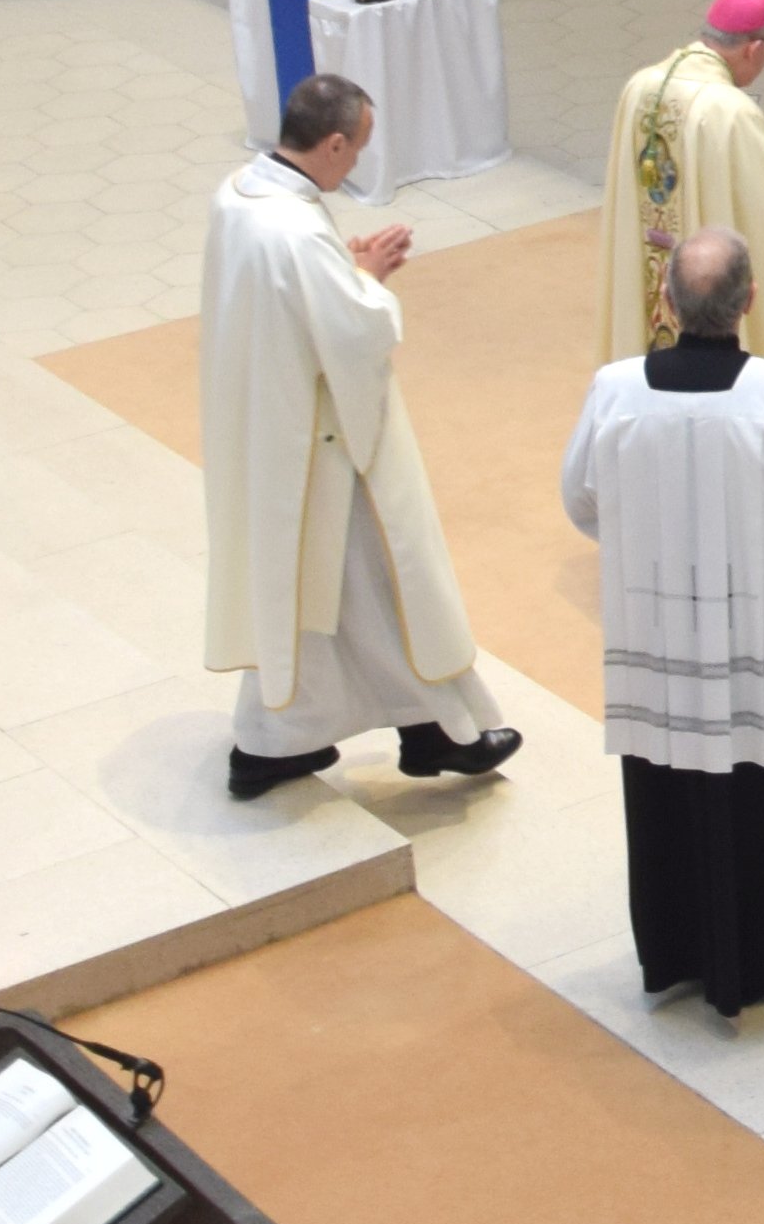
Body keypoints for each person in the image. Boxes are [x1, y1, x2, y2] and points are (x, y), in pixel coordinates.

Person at [561, 229, 764, 1018]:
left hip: (657, 635)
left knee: (671, 791)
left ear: (665, 300)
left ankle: (678, 951)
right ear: (751, 303)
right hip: (762, 631)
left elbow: (582, 502)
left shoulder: (616, 391)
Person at [202, 75, 523, 801]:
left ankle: (301, 739)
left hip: (272, 428)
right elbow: (358, 330)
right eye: (357, 149)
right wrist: (369, 280)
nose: (356, 165)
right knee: (381, 574)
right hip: (319, 442)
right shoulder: (292, 229)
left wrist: (340, 270)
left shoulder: (242, 195)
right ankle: (426, 731)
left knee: (326, 593)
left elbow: (287, 300)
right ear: (335, 141)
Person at [608, 0, 764, 357]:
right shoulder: (731, 110)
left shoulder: (640, 86)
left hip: (652, 263)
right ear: (755, 48)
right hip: (709, 284)